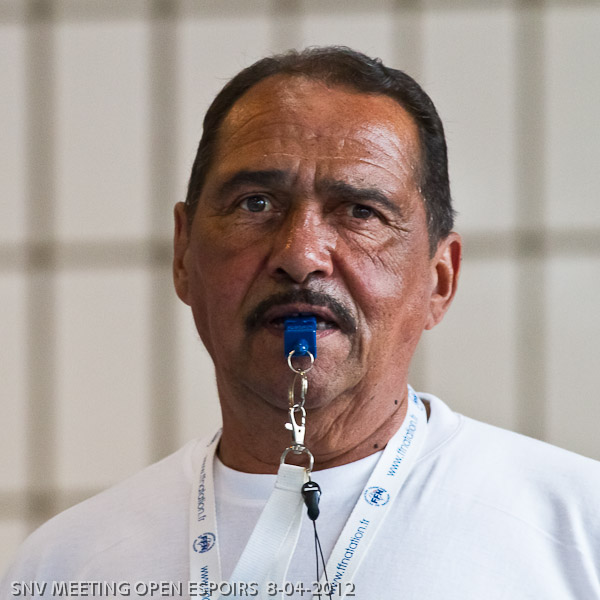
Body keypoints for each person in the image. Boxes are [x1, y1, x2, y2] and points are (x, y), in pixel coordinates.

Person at [2, 46, 600, 599]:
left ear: (438, 280)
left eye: (360, 211)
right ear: (183, 255)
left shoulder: (577, 530)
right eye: (256, 203)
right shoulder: (66, 566)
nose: (301, 254)